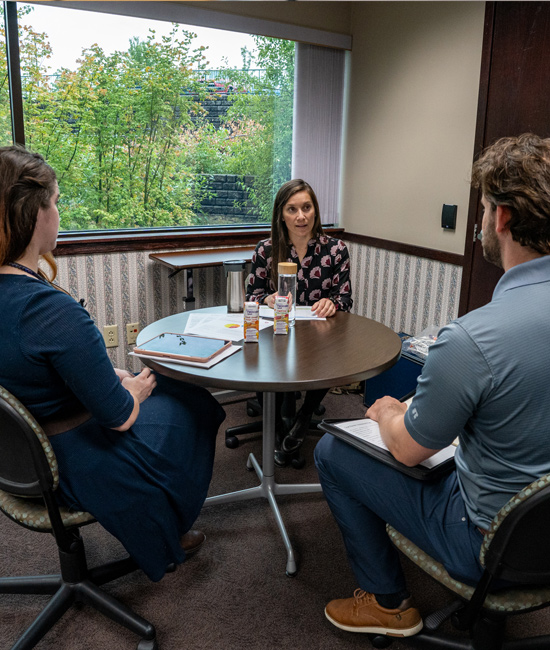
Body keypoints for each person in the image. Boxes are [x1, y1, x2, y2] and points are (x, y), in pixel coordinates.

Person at [315, 133, 550, 637]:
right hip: (540, 525)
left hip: (488, 546)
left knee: (334, 454)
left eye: (483, 209)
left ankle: (387, 603)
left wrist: (384, 413)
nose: (479, 222)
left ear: (503, 218)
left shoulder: (472, 339)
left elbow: (407, 450)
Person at [0, 145, 226, 582]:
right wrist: (132, 389)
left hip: (16, 456)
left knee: (165, 392)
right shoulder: (50, 311)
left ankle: (160, 520)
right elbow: (120, 418)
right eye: (57, 202)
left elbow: (29, 369)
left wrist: (106, 378)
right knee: (193, 403)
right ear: (36, 213)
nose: (58, 214)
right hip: (70, 462)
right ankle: (164, 530)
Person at [246, 179, 352, 466]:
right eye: (292, 209)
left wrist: (332, 304)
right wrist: (267, 298)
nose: (301, 216)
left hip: (318, 334)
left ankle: (304, 416)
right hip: (275, 333)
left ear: (315, 210)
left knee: (330, 355)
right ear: (281, 214)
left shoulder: (336, 250)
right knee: (258, 356)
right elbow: (251, 295)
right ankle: (282, 427)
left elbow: (344, 300)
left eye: (306, 208)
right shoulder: (266, 250)